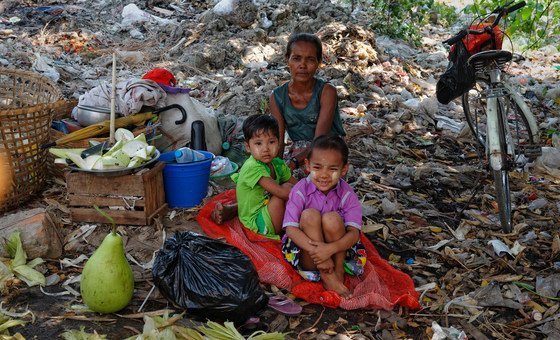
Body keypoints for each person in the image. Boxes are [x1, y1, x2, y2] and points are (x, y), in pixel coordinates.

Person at [281, 135, 366, 298]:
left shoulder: (347, 194)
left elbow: (354, 234)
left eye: (332, 169)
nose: (324, 175)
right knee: (309, 215)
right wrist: (320, 254)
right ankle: (327, 274)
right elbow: (291, 229)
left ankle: (338, 270)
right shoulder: (300, 190)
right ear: (307, 165)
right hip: (307, 254)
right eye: (318, 167)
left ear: (344, 169)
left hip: (337, 253)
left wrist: (329, 250)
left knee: (332, 219)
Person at [212, 114, 298, 239]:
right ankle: (285, 231)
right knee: (284, 193)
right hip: (256, 222)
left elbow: (297, 185)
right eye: (258, 143)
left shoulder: (277, 164)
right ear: (248, 147)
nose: (266, 149)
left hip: (268, 208)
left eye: (271, 142)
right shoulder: (252, 167)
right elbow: (282, 192)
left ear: (279, 143)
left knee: (291, 188)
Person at [269, 32, 345, 171]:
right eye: (296, 58)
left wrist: (292, 163)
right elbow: (278, 141)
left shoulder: (327, 92)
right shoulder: (277, 96)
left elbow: (320, 140)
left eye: (310, 59)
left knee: (314, 183)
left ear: (318, 62)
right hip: (299, 152)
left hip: (327, 149)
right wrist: (276, 168)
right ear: (288, 59)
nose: (302, 65)